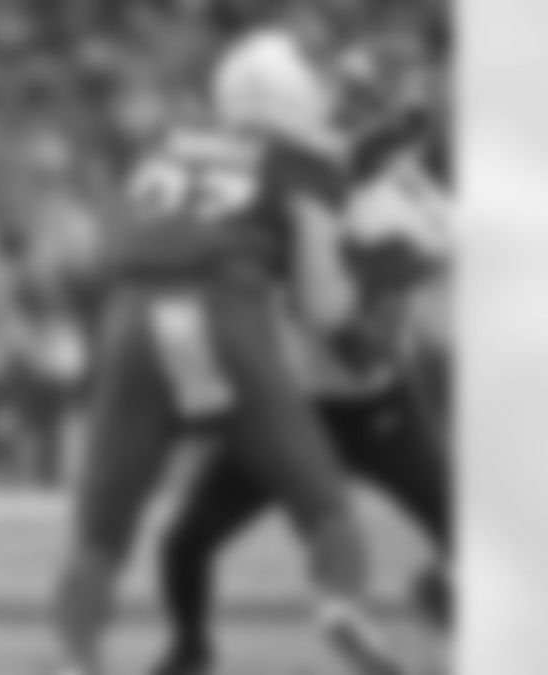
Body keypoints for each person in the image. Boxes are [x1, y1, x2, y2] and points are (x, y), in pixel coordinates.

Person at [51, 25, 412, 671]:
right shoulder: (305, 160)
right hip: (227, 310)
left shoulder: (168, 145)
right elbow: (325, 304)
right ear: (292, 95)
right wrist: (368, 306)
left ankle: (78, 651)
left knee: (100, 528)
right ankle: (340, 600)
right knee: (320, 498)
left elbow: (130, 238)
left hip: (132, 318)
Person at [150, 117, 454, 675]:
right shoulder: (300, 207)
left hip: (378, 410)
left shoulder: (392, 227)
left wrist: (325, 295)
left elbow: (368, 353)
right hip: (292, 407)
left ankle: (440, 605)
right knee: (185, 541)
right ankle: (188, 651)